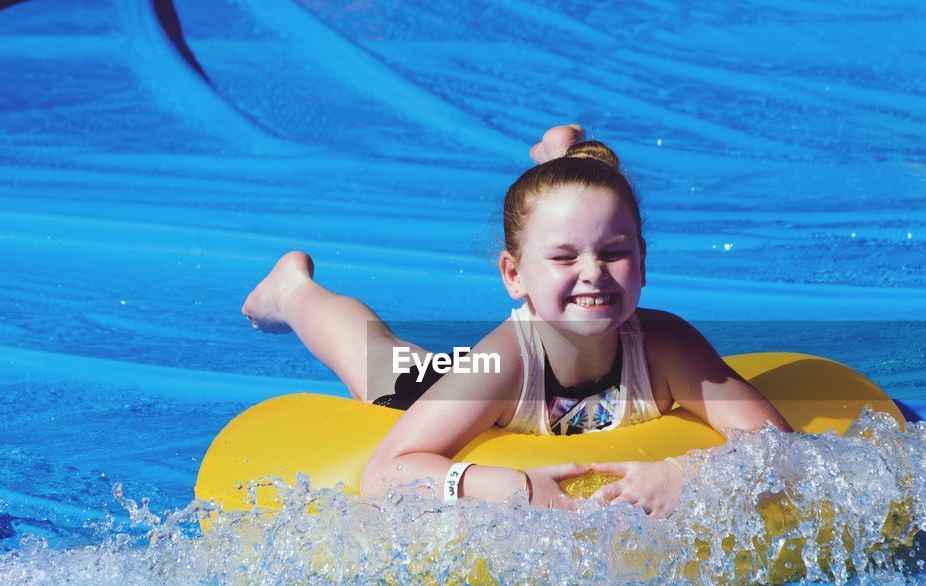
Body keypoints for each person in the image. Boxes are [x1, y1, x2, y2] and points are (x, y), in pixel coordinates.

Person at [241, 124, 790, 518]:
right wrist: (506, 486)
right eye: (563, 258)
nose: (593, 274)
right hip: (465, 385)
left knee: (560, 214)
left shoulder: (667, 344)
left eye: (615, 253)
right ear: (514, 275)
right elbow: (385, 472)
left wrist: (686, 477)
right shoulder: (501, 362)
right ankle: (292, 289)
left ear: (643, 262)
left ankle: (561, 160)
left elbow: (777, 444)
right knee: (378, 367)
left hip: (521, 392)